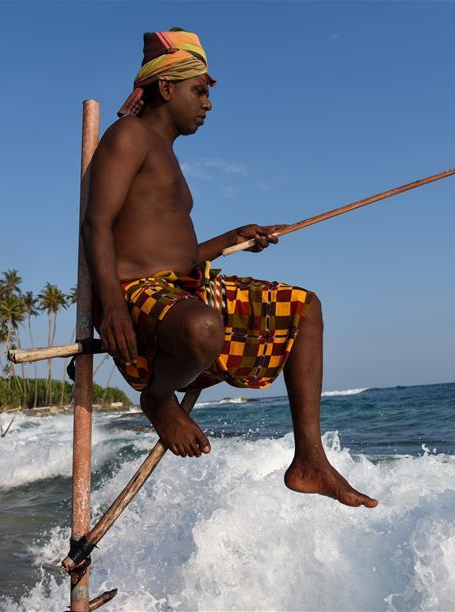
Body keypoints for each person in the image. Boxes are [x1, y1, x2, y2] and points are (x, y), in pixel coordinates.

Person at [81, 28, 377, 508]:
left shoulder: (167, 155)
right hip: (136, 294)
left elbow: (174, 253)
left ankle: (309, 460)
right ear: (166, 87)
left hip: (185, 285)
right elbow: (95, 224)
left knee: (304, 308)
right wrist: (111, 307)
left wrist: (231, 239)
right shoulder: (129, 136)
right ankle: (158, 398)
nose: (208, 104)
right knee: (201, 325)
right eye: (200, 91)